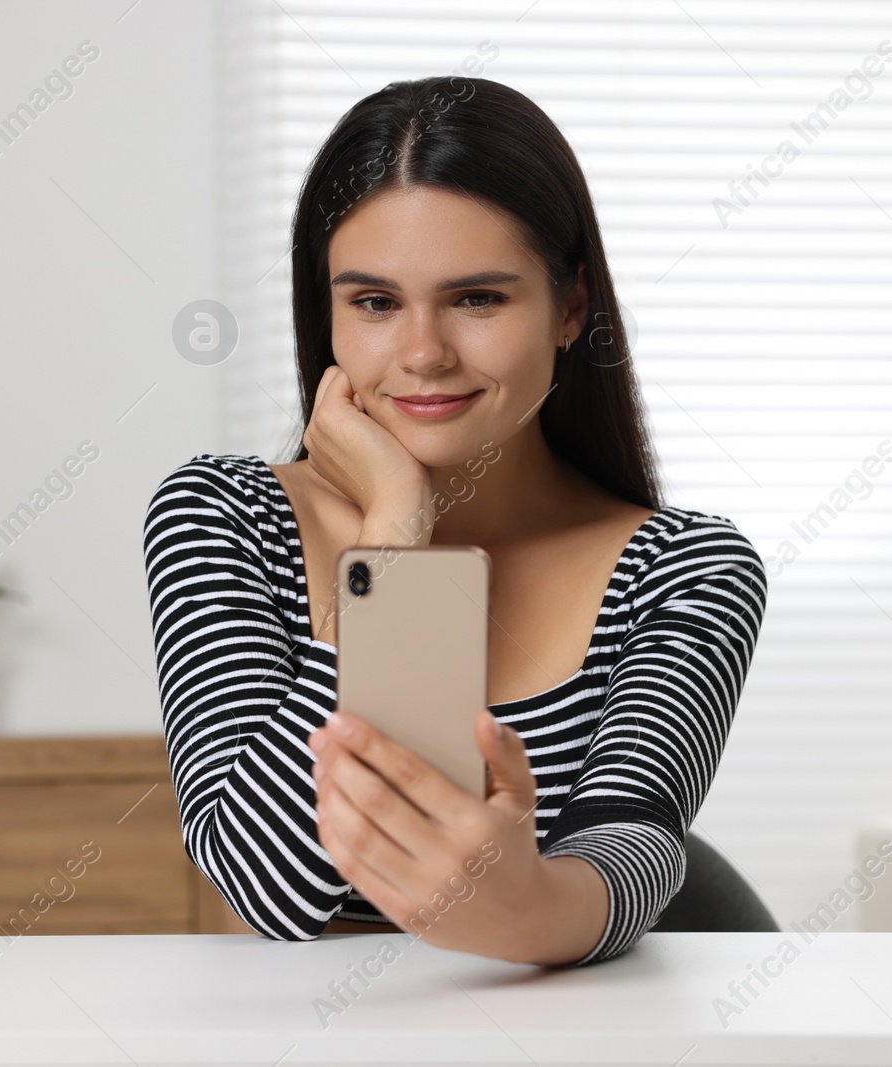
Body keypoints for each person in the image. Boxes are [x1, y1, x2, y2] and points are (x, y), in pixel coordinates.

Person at [143, 75, 767, 966]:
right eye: (374, 302)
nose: (424, 352)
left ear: (571, 307)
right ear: (326, 314)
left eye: (477, 298)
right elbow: (268, 884)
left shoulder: (687, 568)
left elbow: (632, 847)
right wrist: (395, 535)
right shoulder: (225, 517)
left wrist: (528, 908)